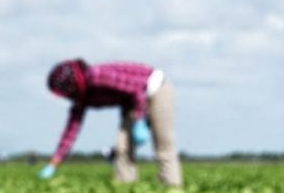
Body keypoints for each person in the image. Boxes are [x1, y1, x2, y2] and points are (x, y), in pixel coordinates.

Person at [41, 59, 182, 186]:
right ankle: (126, 188)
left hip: (155, 88)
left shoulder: (98, 76)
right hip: (132, 103)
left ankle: (172, 187)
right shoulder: (82, 98)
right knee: (122, 148)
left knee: (163, 145)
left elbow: (137, 89)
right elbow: (72, 130)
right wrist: (55, 162)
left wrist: (139, 119)